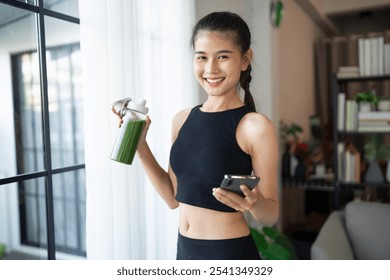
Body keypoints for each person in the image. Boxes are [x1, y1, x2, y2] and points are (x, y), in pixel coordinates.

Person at [135, 11, 279, 260]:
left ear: (245, 60)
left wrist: (254, 203)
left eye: (223, 56)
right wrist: (140, 146)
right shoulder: (181, 119)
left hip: (228, 253)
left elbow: (271, 214)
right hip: (185, 250)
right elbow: (173, 198)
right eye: (201, 57)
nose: (210, 68)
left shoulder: (254, 126)